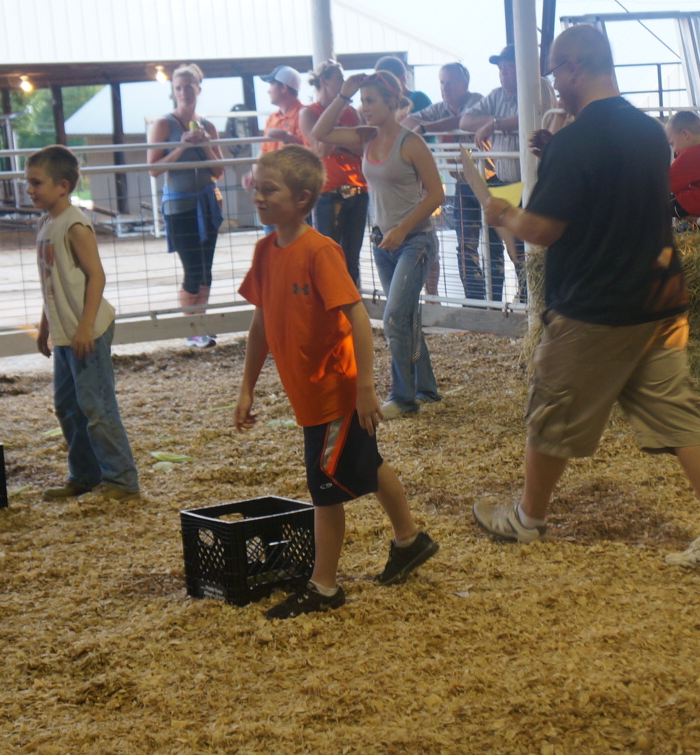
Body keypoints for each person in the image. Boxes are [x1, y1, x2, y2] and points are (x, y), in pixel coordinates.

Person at [473, 24, 700, 570]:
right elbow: (614, 192)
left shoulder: (576, 141)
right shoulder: (648, 132)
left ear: (574, 67)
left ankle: (527, 518)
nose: (554, 84)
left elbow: (544, 229)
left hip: (595, 305)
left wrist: (504, 212)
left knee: (552, 409)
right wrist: (557, 152)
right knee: (681, 415)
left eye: (555, 72)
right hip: (658, 300)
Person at [234, 146, 439, 620]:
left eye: (270, 189)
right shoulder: (265, 252)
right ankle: (409, 540)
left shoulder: (319, 251)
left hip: (333, 391)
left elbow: (357, 317)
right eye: (256, 187)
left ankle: (324, 587)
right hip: (309, 394)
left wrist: (365, 387)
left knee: (324, 488)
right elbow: (261, 322)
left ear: (302, 199)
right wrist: (247, 386)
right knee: (367, 463)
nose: (258, 197)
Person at [310, 72, 446, 418]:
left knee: (395, 317)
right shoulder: (365, 137)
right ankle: (426, 390)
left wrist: (402, 229)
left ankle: (403, 398)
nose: (364, 107)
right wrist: (343, 94)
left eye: (370, 101)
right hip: (383, 241)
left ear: (391, 102)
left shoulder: (411, 143)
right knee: (405, 317)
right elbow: (320, 133)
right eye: (362, 101)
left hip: (415, 241)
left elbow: (436, 194)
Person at [26, 146, 140, 503]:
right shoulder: (46, 224)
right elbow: (51, 281)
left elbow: (97, 276)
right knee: (68, 406)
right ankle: (86, 476)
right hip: (66, 332)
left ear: (62, 186)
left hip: (85, 330)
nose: (29, 190)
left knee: (96, 405)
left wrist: (86, 326)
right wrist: (46, 326)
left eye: (36, 183)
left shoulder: (74, 225)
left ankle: (121, 480)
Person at [460, 46, 554, 302]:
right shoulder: (497, 95)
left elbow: (531, 115)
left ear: (523, 67)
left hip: (534, 183)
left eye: (508, 67)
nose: (503, 73)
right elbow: (465, 121)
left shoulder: (540, 86)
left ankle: (533, 298)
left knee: (532, 243)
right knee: (506, 244)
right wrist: (496, 121)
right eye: (500, 68)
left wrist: (495, 124)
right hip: (504, 182)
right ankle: (514, 297)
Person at [146, 63, 224, 349]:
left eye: (188, 87)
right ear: (173, 91)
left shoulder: (208, 126)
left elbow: (219, 171)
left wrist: (204, 144)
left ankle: (201, 324)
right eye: (178, 88)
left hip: (208, 202)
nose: (183, 93)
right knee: (192, 269)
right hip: (179, 206)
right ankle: (190, 328)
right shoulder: (163, 124)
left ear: (198, 89)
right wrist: (181, 146)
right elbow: (153, 168)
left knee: (206, 270)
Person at [406, 63, 490, 298]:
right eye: (442, 82)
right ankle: (475, 301)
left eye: (450, 82)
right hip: (463, 182)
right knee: (465, 245)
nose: (445, 87)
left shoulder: (477, 101)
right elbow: (411, 121)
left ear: (465, 83)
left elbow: (463, 121)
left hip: (489, 182)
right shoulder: (440, 108)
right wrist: (413, 126)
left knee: (495, 244)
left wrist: (425, 128)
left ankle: (504, 300)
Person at [299, 60, 370, 285]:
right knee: (328, 256)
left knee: (352, 259)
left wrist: (335, 137)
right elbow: (321, 148)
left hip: (358, 190)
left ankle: (352, 305)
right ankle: (330, 304)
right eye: (339, 78)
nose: (344, 82)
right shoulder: (308, 113)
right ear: (324, 82)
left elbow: (362, 148)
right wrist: (344, 137)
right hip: (328, 192)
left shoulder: (351, 112)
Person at [259, 66, 306, 154]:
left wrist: (285, 136)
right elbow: (263, 151)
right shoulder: (271, 118)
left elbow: (311, 149)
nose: (268, 91)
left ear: (284, 87)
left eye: (271, 85)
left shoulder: (305, 115)